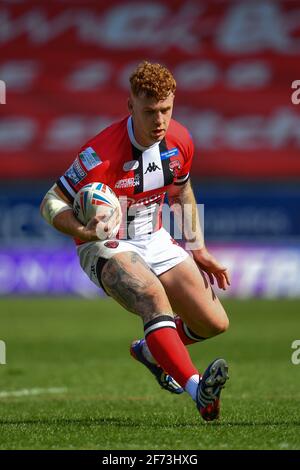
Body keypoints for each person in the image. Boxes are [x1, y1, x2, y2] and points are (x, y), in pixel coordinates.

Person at [40, 61, 230, 421]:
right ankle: (198, 391)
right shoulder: (99, 154)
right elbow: (51, 201)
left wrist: (198, 248)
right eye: (149, 111)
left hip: (153, 236)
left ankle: (150, 351)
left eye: (166, 110)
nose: (159, 121)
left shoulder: (179, 141)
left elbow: (182, 190)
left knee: (213, 322)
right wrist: (81, 232)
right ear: (130, 106)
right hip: (105, 244)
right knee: (152, 298)